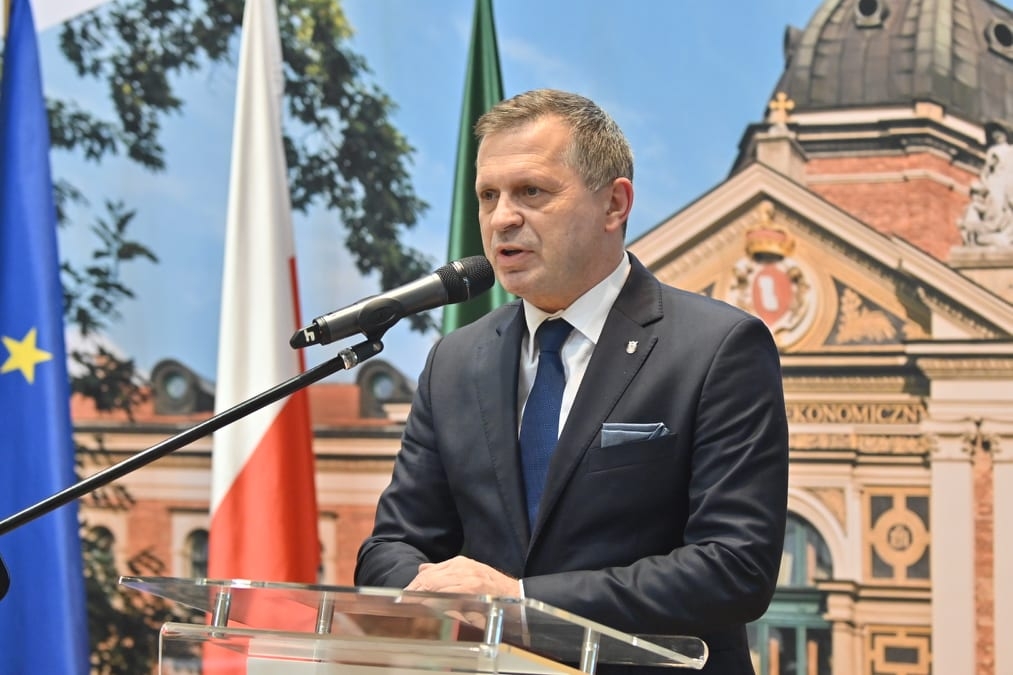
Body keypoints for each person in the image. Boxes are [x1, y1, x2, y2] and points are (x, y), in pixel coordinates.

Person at [354, 89, 789, 675]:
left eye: (531, 192)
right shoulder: (455, 361)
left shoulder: (717, 348)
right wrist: (425, 585)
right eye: (488, 196)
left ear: (615, 204)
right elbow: (390, 549)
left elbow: (734, 567)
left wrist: (521, 602)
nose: (502, 218)